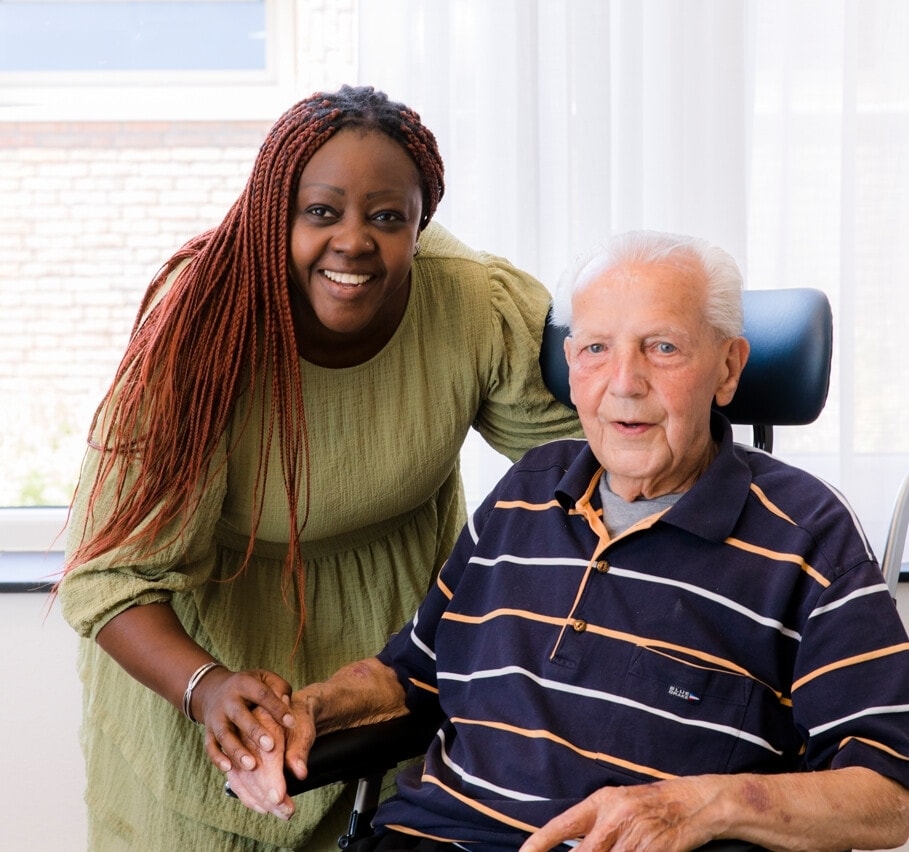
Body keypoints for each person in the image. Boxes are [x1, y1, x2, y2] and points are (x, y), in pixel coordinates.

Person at [228, 230, 909, 851]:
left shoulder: (805, 535)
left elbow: (892, 794)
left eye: (662, 347)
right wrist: (307, 710)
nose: (623, 383)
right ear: (569, 367)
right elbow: (409, 673)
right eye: (595, 350)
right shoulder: (528, 488)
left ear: (727, 368)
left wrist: (705, 803)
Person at [57, 85, 581, 851]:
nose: (354, 242)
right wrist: (206, 690)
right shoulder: (203, 327)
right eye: (321, 212)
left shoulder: (469, 304)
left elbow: (591, 448)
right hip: (210, 682)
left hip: (388, 682)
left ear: (419, 223)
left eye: (387, 217)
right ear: (276, 215)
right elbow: (110, 579)